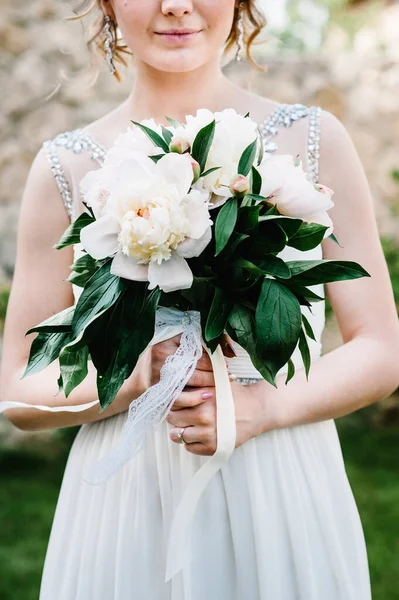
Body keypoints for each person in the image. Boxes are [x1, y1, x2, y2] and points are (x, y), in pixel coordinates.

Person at [1, 0, 398, 598]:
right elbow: (16, 390)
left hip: (279, 475)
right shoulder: (67, 166)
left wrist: (262, 409)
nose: (176, 6)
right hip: (127, 496)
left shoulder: (310, 139)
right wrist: (133, 378)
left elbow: (381, 348)